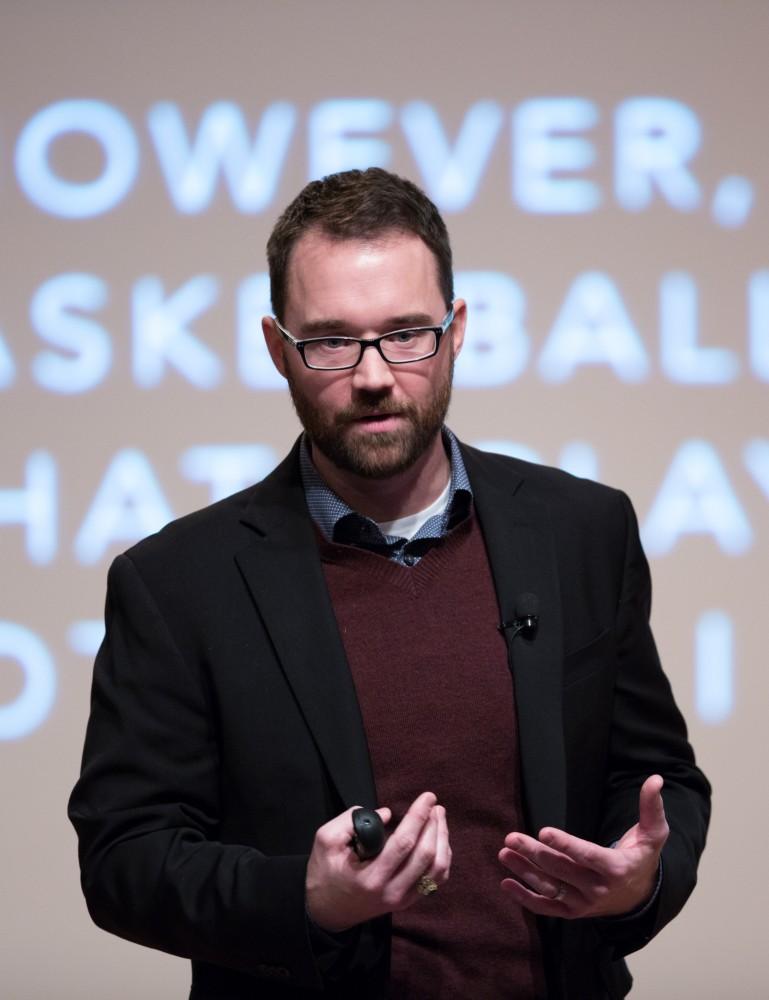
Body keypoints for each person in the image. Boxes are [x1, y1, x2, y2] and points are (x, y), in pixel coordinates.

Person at [69, 167, 710, 999]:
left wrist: (639, 880)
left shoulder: (581, 531)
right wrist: (305, 896)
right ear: (277, 349)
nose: (373, 375)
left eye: (406, 333)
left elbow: (657, 778)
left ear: (455, 330)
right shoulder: (179, 582)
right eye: (332, 341)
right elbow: (125, 857)